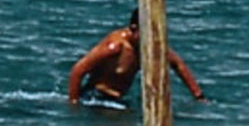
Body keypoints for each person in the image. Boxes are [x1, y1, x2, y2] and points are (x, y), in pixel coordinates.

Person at [67, 10, 203, 107]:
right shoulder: (115, 46)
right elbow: (78, 70)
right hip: (95, 98)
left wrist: (198, 96)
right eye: (147, 33)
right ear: (134, 28)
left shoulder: (150, 46)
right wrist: (74, 103)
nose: (151, 38)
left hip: (118, 100)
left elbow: (177, 64)